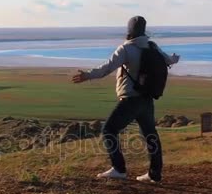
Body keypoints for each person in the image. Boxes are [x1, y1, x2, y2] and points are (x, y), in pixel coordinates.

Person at [72, 16, 180, 183]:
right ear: (144, 30)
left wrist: (87, 75)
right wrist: (174, 58)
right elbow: (169, 60)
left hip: (130, 99)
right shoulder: (152, 46)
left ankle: (119, 169)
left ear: (129, 30)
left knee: (109, 130)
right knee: (150, 135)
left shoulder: (126, 49)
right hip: (147, 99)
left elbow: (106, 68)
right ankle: (154, 173)